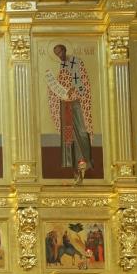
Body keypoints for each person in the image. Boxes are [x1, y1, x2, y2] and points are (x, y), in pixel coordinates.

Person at [46, 44, 93, 177]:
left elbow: (82, 82)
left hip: (76, 103)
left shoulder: (76, 62)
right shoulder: (63, 66)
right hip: (65, 104)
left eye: (60, 52)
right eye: (56, 54)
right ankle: (71, 162)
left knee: (81, 131)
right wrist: (52, 86)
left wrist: (73, 90)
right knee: (68, 133)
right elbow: (61, 83)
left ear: (65, 50)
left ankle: (83, 160)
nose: (59, 56)